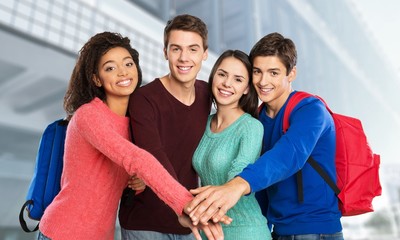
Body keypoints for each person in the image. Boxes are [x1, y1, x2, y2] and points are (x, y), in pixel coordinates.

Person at [37, 31, 224, 240]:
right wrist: (185, 204)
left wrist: (137, 182)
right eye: (110, 68)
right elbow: (135, 158)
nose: (122, 73)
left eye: (128, 64)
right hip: (64, 232)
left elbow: (115, 174)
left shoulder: (132, 122)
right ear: (96, 79)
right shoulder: (89, 115)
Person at [186, 32, 344, 240]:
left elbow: (289, 155)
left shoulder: (311, 110)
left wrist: (236, 185)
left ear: (291, 74)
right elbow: (262, 186)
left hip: (315, 229)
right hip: (276, 230)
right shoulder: (258, 118)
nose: (263, 81)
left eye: (274, 73)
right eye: (258, 72)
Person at [118, 14, 213, 240]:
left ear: (204, 54)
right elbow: (154, 156)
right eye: (176, 49)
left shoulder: (207, 94)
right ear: (165, 52)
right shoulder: (143, 98)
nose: (184, 58)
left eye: (192, 49)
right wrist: (187, 206)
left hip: (188, 223)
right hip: (145, 222)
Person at [192, 49, 272, 239]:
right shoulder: (202, 122)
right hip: (207, 231)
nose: (227, 83)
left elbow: (238, 173)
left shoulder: (251, 127)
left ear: (246, 88)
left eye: (238, 79)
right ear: (213, 77)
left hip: (245, 230)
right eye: (222, 74)